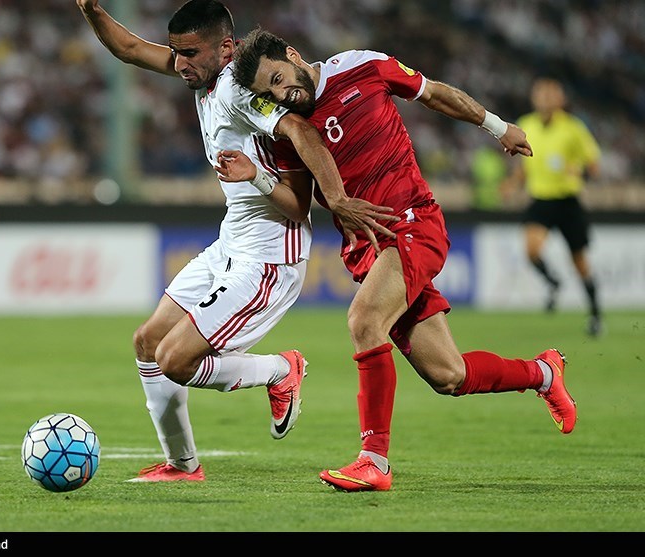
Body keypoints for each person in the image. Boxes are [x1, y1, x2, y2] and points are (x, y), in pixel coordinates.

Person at [219, 28, 577, 492]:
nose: (281, 94)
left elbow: (434, 94)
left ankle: (374, 462)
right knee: (449, 375)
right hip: (369, 251)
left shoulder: (360, 67)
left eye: (278, 78)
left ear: (292, 55)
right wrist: (256, 179)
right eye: (269, 93)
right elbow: (297, 204)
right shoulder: (284, 132)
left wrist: (498, 126)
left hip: (412, 223)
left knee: (365, 320)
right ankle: (544, 373)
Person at [75, 0, 399, 482]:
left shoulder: (235, 89)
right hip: (232, 244)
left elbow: (300, 130)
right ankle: (183, 466)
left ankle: (279, 370)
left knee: (176, 360)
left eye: (190, 53)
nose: (180, 63)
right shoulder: (199, 73)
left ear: (226, 48)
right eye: (177, 53)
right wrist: (92, 9)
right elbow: (127, 48)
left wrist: (339, 197)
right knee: (148, 342)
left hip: (269, 257)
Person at [501, 77, 603, 337]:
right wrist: (512, 184)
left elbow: (593, 166)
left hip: (567, 200)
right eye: (541, 94)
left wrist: (577, 169)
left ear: (561, 99)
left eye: (551, 94)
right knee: (531, 250)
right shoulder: (526, 125)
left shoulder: (573, 128)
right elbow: (524, 165)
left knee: (579, 261)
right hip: (541, 199)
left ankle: (595, 314)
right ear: (534, 98)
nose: (545, 98)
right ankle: (553, 282)